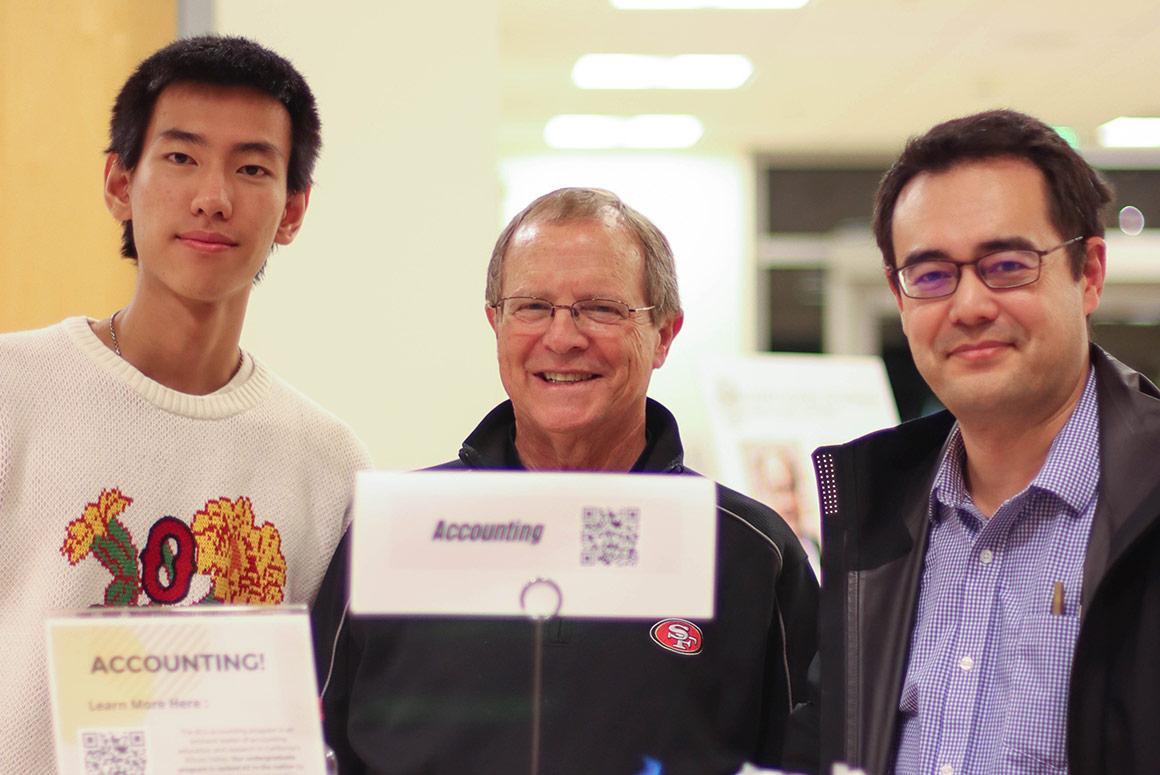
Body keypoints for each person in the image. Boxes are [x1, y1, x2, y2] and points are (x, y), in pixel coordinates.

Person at [312, 187, 818, 774]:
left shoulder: (752, 553)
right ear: (495, 324)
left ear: (664, 335)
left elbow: (803, 760)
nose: (562, 337)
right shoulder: (393, 534)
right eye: (532, 307)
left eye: (601, 308)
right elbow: (308, 749)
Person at [0, 36, 369, 773]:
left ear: (293, 210)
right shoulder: (13, 388)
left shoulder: (329, 462)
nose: (213, 196)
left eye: (253, 167)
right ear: (117, 182)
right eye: (180, 157)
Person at [813, 109, 1160, 774]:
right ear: (900, 295)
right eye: (933, 273)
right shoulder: (873, 515)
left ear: (1088, 272)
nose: (969, 305)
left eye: (1006, 264)